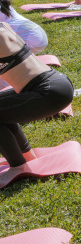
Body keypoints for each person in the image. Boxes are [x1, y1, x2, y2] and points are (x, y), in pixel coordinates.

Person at [0, 20, 73, 184]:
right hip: (54, 84)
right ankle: (26, 155)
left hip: (48, 92)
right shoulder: (2, 26)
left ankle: (18, 167)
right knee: (3, 110)